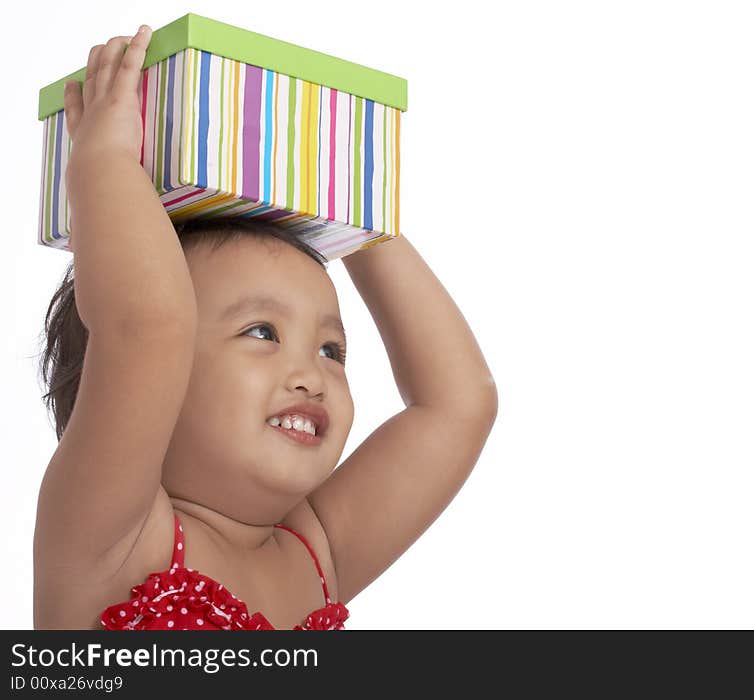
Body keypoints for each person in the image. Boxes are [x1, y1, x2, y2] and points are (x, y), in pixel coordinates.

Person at [32, 25, 498, 630]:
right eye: (261, 333)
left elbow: (459, 404)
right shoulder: (108, 536)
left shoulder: (314, 553)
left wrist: (357, 212)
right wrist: (103, 161)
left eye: (332, 349)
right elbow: (145, 327)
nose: (311, 374)